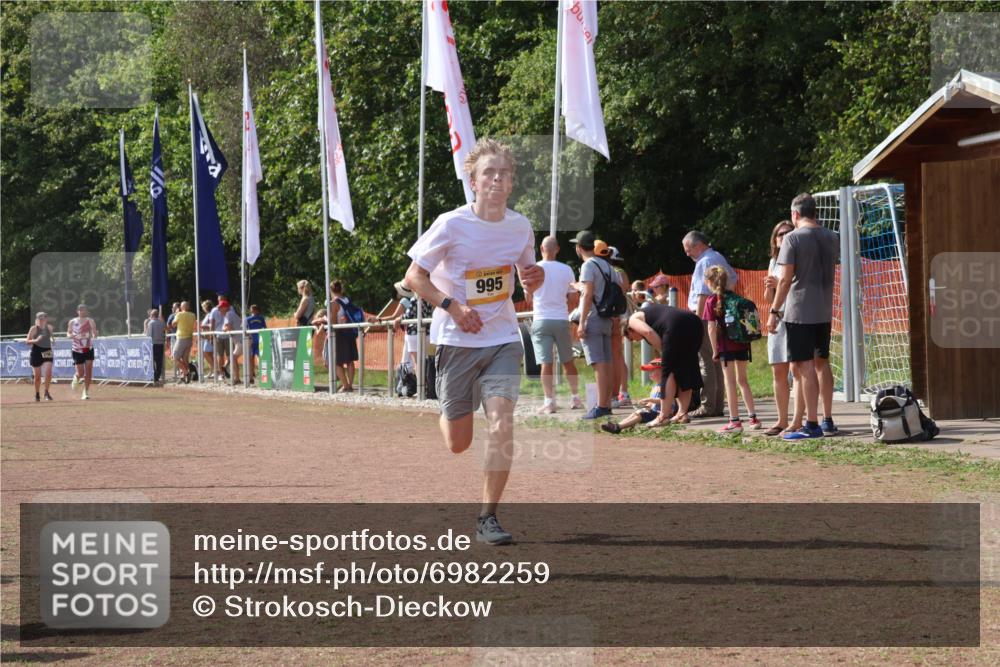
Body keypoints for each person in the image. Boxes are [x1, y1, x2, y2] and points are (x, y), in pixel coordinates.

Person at [403, 137, 544, 546]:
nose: (497, 180)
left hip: (502, 338)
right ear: (474, 180)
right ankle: (448, 410)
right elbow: (415, 277)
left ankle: (488, 517)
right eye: (489, 173)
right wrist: (452, 306)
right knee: (458, 443)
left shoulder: (520, 227)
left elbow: (525, 276)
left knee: (502, 424)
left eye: (504, 174)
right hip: (456, 341)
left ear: (512, 182)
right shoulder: (451, 223)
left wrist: (533, 279)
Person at [768, 193, 840, 440]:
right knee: (822, 362)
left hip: (799, 311)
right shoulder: (832, 237)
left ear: (795, 214)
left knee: (803, 366)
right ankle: (827, 419)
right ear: (815, 212)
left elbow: (786, 279)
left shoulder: (792, 238)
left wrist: (774, 310)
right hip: (824, 309)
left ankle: (811, 423)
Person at [682, 230, 737, 418]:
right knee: (717, 360)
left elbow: (702, 294)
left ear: (699, 245)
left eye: (688, 249)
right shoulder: (718, 257)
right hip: (719, 314)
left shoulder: (704, 262)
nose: (687, 254)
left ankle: (707, 405)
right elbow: (733, 281)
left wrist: (697, 320)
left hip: (706, 317)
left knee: (705, 361)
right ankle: (717, 405)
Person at [702, 266, 761, 433]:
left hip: (725, 347)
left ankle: (734, 421)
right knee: (743, 381)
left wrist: (715, 350)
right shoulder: (737, 298)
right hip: (742, 344)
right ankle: (753, 418)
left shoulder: (711, 301)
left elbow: (711, 328)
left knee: (730, 383)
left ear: (709, 282)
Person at [529, 235, 583, 413]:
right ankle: (575, 398)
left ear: (541, 249)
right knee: (568, 361)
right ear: (557, 249)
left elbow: (529, 296)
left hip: (541, 319)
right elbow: (573, 297)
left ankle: (549, 401)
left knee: (546, 363)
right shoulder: (567, 269)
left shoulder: (534, 268)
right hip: (560, 318)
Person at [571, 231, 622, 420]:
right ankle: (607, 403)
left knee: (598, 364)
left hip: (592, 317)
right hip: (607, 318)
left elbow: (587, 294)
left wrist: (582, 322)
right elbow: (620, 288)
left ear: (578, 248)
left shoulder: (587, 266)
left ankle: (601, 406)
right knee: (607, 362)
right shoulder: (608, 266)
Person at [625, 303, 703, 425]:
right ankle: (682, 414)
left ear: (629, 329)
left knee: (668, 372)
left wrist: (665, 353)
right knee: (685, 370)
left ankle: (663, 416)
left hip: (676, 325)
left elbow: (648, 332)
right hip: (695, 322)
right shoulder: (650, 313)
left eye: (631, 337)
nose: (635, 340)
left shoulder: (632, 320)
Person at [763, 221, 804, 436]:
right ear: (775, 239)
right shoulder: (774, 261)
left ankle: (798, 420)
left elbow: (791, 287)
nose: (784, 236)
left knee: (796, 369)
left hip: (795, 317)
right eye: (780, 234)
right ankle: (781, 420)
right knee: (778, 371)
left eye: (789, 233)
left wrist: (780, 283)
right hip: (777, 317)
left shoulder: (797, 257)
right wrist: (770, 288)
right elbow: (770, 299)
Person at [601, 245, 632, 409]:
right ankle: (623, 392)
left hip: (616, 314)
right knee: (617, 354)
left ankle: (620, 393)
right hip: (620, 313)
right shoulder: (620, 271)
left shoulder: (614, 271)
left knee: (615, 354)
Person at [600, 358, 667, 434]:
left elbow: (666, 401)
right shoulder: (655, 387)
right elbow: (653, 404)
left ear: (663, 371)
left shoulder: (666, 386)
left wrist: (650, 399)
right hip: (654, 411)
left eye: (652, 371)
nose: (649, 373)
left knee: (640, 415)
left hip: (661, 414)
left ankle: (618, 427)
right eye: (649, 371)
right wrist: (646, 405)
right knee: (636, 413)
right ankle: (619, 424)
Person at [392, 280, 434, 371]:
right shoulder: (429, 299)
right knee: (427, 361)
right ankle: (427, 383)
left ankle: (419, 384)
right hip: (428, 333)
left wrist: (400, 318)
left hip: (414, 333)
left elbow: (409, 315)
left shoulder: (414, 299)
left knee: (417, 363)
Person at [329, 280, 359, 392]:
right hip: (350, 332)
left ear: (331, 290)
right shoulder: (348, 300)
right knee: (350, 360)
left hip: (339, 333)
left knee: (336, 361)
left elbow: (332, 321)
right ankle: (350, 385)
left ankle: (345, 386)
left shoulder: (334, 303)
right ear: (342, 289)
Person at [67, 304, 98, 400]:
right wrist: (70, 336)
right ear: (77, 311)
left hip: (88, 348)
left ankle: (86, 392)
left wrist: (94, 334)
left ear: (86, 311)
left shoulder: (90, 321)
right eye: (80, 310)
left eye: (84, 310)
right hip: (77, 349)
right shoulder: (72, 321)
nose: (82, 311)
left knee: (88, 371)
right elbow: (68, 333)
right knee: (80, 373)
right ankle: (76, 378)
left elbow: (94, 333)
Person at [26, 312, 54, 401]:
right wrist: (36, 340)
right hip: (36, 352)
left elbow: (51, 337)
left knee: (48, 373)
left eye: (45, 318)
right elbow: (27, 341)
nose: (43, 320)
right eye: (41, 318)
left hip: (47, 351)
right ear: (37, 320)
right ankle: (37, 394)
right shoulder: (34, 329)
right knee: (37, 376)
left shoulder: (49, 328)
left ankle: (46, 393)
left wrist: (53, 340)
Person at [212, 299, 241, 383]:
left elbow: (227, 328)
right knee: (232, 357)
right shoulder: (228, 315)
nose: (219, 309)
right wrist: (225, 328)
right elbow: (226, 327)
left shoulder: (229, 314)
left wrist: (225, 328)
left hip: (241, 340)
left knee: (232, 357)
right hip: (239, 340)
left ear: (225, 307)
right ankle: (236, 377)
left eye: (220, 307)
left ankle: (236, 376)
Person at [171, 301, 197, 383]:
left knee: (174, 358)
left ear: (181, 308)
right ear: (188, 307)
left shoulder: (179, 314)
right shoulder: (193, 315)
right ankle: (186, 376)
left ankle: (186, 373)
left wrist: (176, 314)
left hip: (181, 338)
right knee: (185, 359)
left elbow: (173, 324)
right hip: (189, 338)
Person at [143, 309, 166, 384]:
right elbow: (164, 332)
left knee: (152, 361)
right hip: (161, 344)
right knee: (159, 361)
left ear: (152, 315)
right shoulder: (162, 323)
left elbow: (148, 335)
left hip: (153, 344)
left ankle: (153, 376)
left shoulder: (151, 323)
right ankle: (157, 376)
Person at [245, 304, 267, 382]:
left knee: (254, 358)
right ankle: (254, 375)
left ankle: (253, 375)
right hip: (256, 340)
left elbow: (244, 329)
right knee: (256, 357)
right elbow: (265, 328)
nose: (253, 311)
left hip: (253, 340)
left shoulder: (248, 319)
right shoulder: (260, 318)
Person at [199, 300, 215, 379]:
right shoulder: (207, 314)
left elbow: (212, 325)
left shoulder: (211, 314)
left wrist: (205, 327)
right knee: (209, 354)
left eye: (203, 307)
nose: (203, 309)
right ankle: (212, 370)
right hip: (206, 336)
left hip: (209, 336)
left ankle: (215, 370)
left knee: (206, 353)